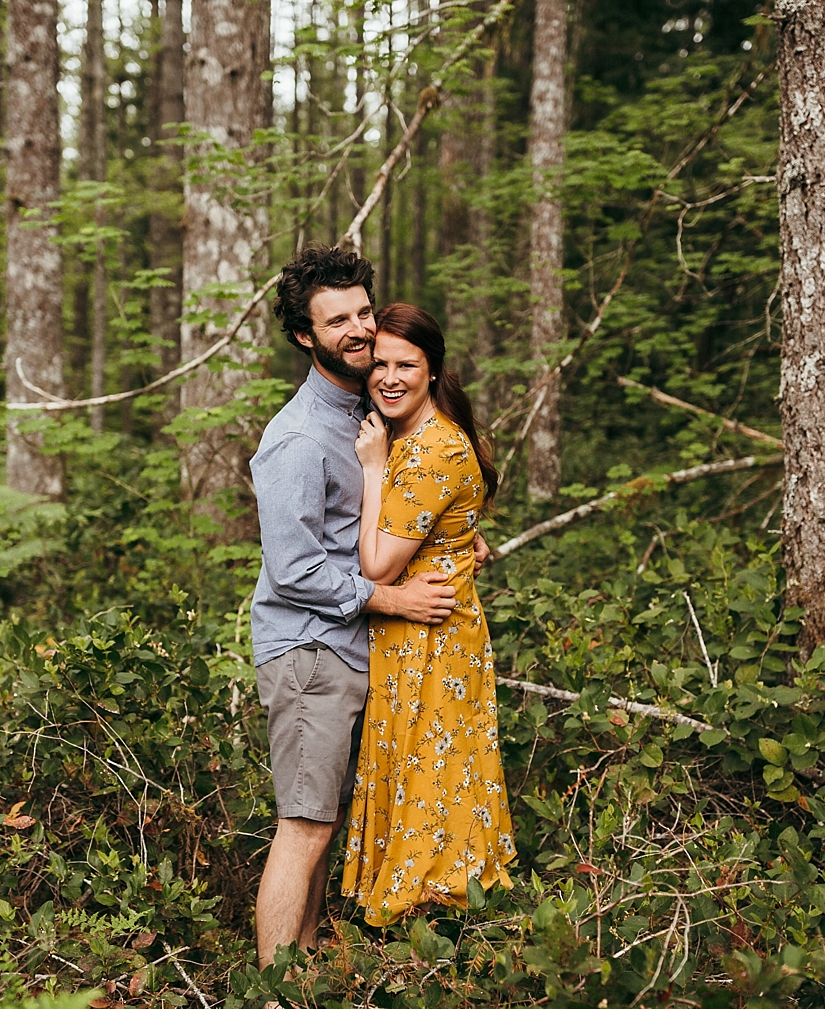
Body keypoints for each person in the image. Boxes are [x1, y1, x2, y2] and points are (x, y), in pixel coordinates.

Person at [249, 246, 489, 967]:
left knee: (325, 819)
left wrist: (453, 544)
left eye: (362, 311)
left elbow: (396, 510)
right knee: (304, 825)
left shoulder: (368, 406)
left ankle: (311, 963)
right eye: (337, 320)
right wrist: (392, 595)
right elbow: (293, 570)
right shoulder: (294, 439)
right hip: (309, 652)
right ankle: (273, 985)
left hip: (355, 648)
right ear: (304, 335)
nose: (358, 330)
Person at [342, 303, 515, 926]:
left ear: (432, 369)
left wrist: (372, 471)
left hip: (430, 637)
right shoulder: (419, 436)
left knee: (432, 771)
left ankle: (434, 922)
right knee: (427, 766)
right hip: (422, 630)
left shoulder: (427, 449)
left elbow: (377, 567)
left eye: (406, 365)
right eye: (379, 364)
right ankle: (434, 921)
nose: (389, 377)